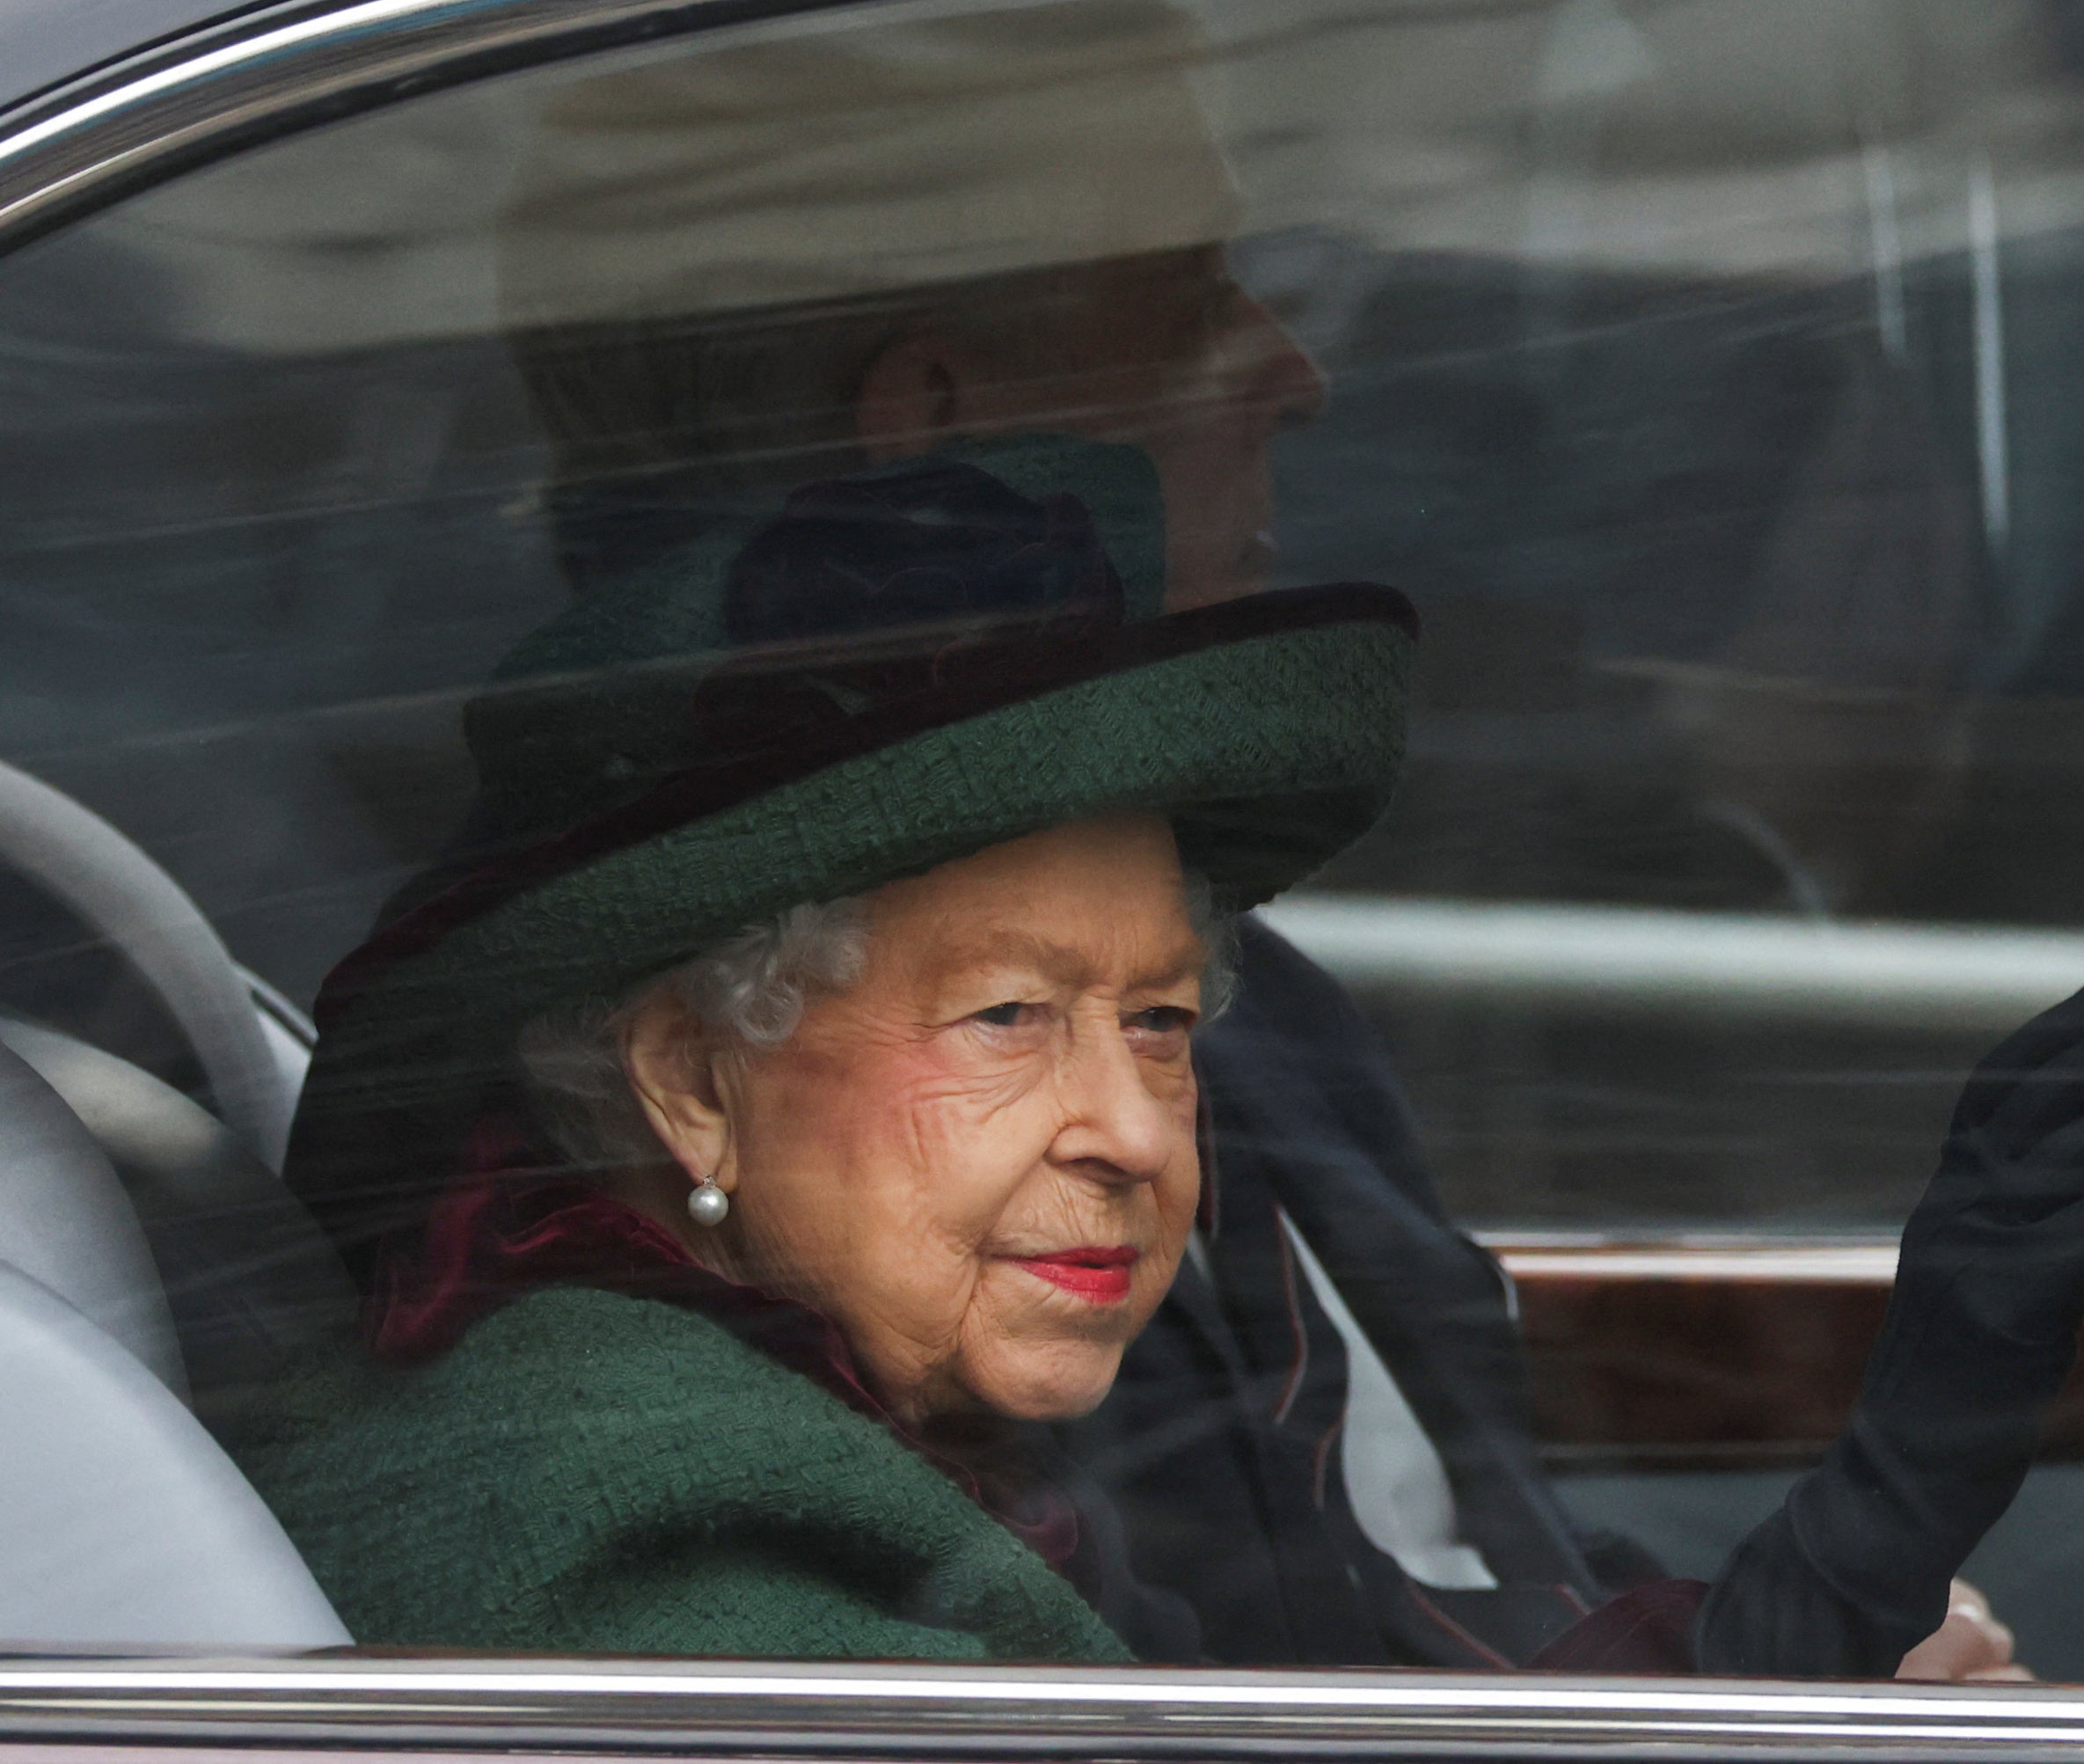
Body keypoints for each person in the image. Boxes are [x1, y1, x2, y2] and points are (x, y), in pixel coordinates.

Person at [479, 0, 2084, 1678]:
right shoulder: (850, 1243)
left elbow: (1469, 1600)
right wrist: (1880, 1516)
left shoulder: (1256, 1008)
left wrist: (1845, 1627)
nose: (1294, 375)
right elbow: (1276, 1700)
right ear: (932, 421)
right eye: (1192, 297)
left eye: (1154, 1016)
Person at [228, 439, 1415, 1658]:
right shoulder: (656, 1537)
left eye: (1156, 1020)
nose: (1134, 1132)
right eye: (1006, 1015)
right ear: (693, 1078)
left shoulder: (836, 1438)